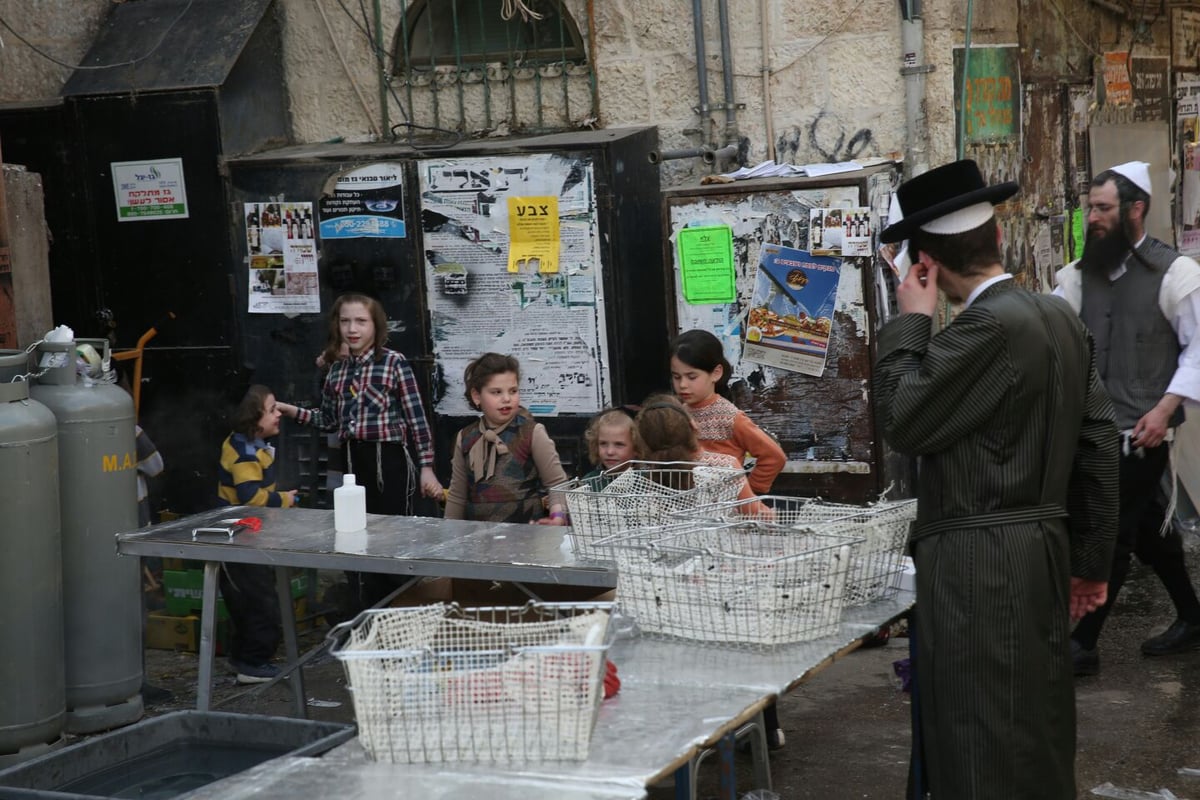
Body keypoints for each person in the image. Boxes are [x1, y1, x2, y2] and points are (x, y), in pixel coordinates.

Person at [873, 158, 1118, 799]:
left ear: (924, 262)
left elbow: (903, 420)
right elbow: (1098, 442)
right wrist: (1092, 561)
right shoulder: (1058, 316)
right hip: (1039, 551)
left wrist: (911, 321)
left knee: (977, 734)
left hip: (980, 566)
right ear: (998, 239)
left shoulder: (985, 327)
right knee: (1031, 724)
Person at [1054, 161, 1200, 675]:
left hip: (1142, 431)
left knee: (1109, 530)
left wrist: (1165, 410)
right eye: (1090, 207)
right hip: (1090, 433)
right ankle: (1193, 614)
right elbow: (1052, 345)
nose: (1092, 217)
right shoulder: (1074, 279)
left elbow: (1199, 349)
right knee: (1146, 531)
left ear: (1136, 210)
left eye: (1103, 208)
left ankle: (1083, 643)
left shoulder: (1177, 274)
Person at [278, 293, 442, 512]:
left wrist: (426, 467)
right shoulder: (336, 370)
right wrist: (292, 411)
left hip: (387, 459)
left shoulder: (393, 362)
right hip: (351, 461)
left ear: (376, 325)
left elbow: (417, 419)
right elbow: (329, 421)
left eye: (361, 321)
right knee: (356, 523)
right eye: (345, 321)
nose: (352, 329)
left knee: (392, 526)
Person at [216, 385, 297, 684]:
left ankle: (241, 658)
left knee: (245, 602)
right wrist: (286, 500)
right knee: (260, 603)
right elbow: (250, 496)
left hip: (246, 538)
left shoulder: (251, 445)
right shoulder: (244, 451)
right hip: (240, 540)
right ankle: (253, 663)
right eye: (273, 409)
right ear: (254, 417)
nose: (279, 414)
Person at [444, 352, 568, 524]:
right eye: (496, 392)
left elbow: (557, 484)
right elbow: (457, 495)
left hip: (527, 536)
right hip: (478, 540)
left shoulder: (532, 432)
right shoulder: (464, 437)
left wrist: (558, 518)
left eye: (513, 391)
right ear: (476, 396)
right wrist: (449, 534)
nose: (506, 399)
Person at [667, 329, 785, 495]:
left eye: (691, 377)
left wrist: (748, 494)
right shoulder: (676, 415)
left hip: (725, 514)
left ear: (716, 373)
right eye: (676, 377)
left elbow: (774, 456)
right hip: (686, 507)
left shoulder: (730, 417)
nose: (683, 385)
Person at [581, 406, 639, 478]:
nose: (610, 452)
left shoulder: (647, 480)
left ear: (636, 448)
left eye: (619, 444)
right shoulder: (590, 481)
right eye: (603, 444)